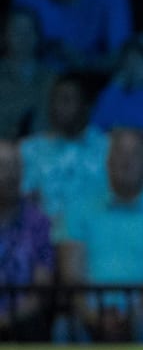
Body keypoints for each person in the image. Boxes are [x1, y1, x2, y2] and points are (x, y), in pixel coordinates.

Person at [52, 126, 143, 343]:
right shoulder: (78, 208)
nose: (126, 161)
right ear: (107, 161)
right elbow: (72, 275)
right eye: (119, 153)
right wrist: (93, 317)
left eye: (134, 154)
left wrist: (129, 318)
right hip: (88, 310)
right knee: (63, 328)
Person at [19, 72, 110, 233]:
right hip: (43, 237)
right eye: (54, 100)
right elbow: (22, 200)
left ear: (86, 105)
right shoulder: (29, 149)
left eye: (66, 100)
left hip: (96, 236)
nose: (57, 107)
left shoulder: (108, 149)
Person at [0, 138, 56, 341]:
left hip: (23, 323)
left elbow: (41, 289)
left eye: (15, 167)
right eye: (2, 167)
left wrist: (7, 320)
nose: (10, 175)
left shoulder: (38, 223)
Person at [89, 31, 143, 132]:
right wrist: (115, 86)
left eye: (140, 59)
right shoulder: (112, 92)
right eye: (129, 58)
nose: (132, 64)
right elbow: (95, 127)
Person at [0, 6, 55, 140]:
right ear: (4, 36)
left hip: (44, 148)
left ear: (38, 35)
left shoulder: (52, 78)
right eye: (17, 31)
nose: (24, 37)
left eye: (29, 30)